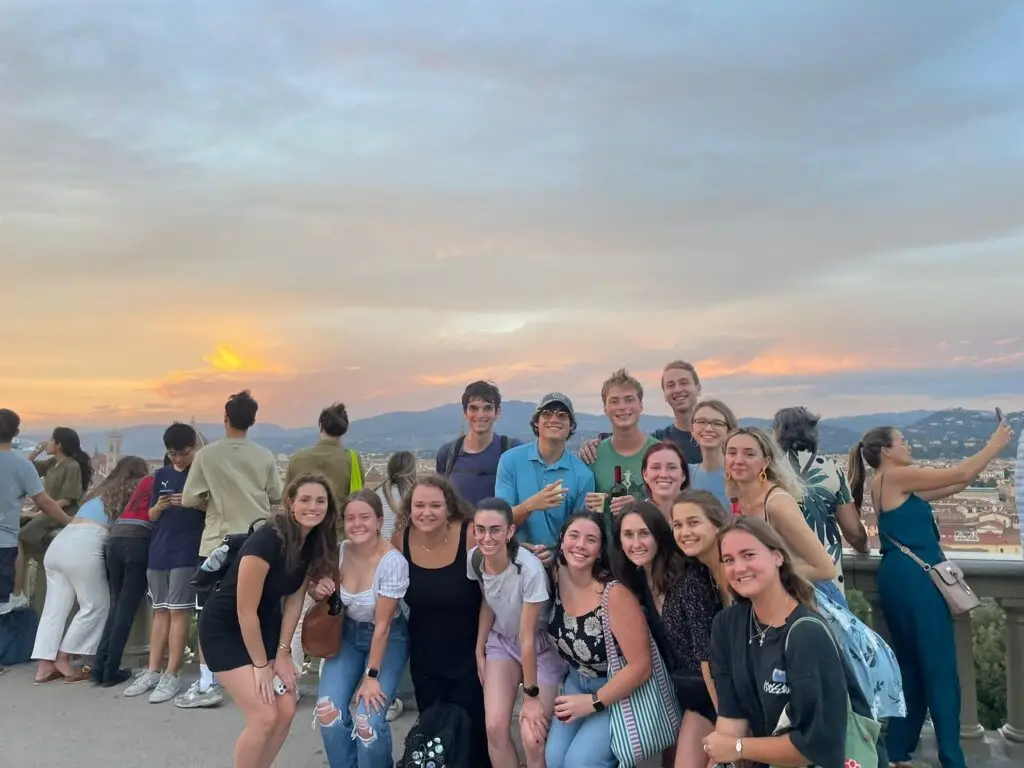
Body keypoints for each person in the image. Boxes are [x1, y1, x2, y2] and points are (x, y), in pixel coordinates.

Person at [849, 421, 1013, 768]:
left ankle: (899, 749)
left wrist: (976, 466)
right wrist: (995, 444)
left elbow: (961, 481)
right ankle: (952, 757)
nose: (909, 446)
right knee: (939, 667)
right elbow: (962, 469)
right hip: (918, 581)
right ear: (887, 451)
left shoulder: (886, 483)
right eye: (904, 441)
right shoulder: (896, 477)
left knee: (911, 665)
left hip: (898, 577)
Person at [705, 516, 884, 768]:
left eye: (748, 555)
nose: (739, 567)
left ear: (778, 558)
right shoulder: (727, 626)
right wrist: (725, 754)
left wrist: (738, 748)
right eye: (729, 560)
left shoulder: (807, 635)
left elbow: (817, 748)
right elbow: (731, 719)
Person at [197, 472, 338, 768]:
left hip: (266, 627)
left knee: (286, 710)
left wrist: (284, 653)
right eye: (305, 500)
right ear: (290, 503)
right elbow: (244, 611)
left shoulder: (312, 541)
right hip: (226, 629)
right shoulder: (267, 540)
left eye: (321, 501)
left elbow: (295, 600)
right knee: (264, 716)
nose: (313, 507)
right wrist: (262, 665)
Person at [178, 389, 283, 709]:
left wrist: (211, 499)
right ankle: (263, 676)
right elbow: (276, 495)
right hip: (258, 542)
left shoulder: (206, 456)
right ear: (253, 421)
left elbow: (188, 499)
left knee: (209, 617)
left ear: (225, 419)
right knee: (260, 612)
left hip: (217, 545)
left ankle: (208, 683)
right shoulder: (264, 456)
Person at [614, 498, 724, 768]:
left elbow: (707, 656)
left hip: (718, 694)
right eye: (628, 535)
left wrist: (725, 721)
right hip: (688, 696)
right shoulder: (638, 582)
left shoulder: (688, 580)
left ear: (659, 536)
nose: (636, 543)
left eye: (644, 533)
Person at [391, 475, 491, 766]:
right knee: (434, 733)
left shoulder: (470, 535)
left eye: (435, 505)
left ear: (450, 507)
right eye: (419, 505)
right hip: (425, 655)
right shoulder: (401, 541)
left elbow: (490, 596)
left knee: (475, 731)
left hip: (471, 651)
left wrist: (481, 647)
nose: (426, 512)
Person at [545, 511, 653, 768]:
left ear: (601, 549)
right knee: (554, 758)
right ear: (562, 541)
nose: (580, 545)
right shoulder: (556, 574)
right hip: (575, 682)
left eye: (591, 539)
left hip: (617, 689)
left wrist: (593, 702)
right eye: (573, 536)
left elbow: (641, 667)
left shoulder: (614, 594)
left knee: (580, 762)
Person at [311, 489, 409, 768]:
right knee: (328, 712)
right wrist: (319, 589)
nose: (357, 524)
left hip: (387, 639)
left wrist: (372, 676)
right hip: (347, 636)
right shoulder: (340, 552)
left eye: (364, 517)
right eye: (350, 518)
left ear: (379, 521)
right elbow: (318, 592)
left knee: (368, 721)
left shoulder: (392, 563)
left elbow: (383, 626)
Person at [31, 456, 150, 684]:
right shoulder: (132, 490)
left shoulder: (99, 491)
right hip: (86, 543)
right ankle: (64, 656)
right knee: (96, 605)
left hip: (60, 543)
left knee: (54, 608)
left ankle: (43, 666)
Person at [470, 497, 566, 768]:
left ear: (510, 531)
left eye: (495, 530)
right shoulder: (476, 558)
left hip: (539, 647)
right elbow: (490, 599)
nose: (486, 537)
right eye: (480, 529)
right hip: (502, 640)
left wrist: (531, 697)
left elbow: (527, 636)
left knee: (533, 737)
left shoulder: (529, 570)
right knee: (495, 727)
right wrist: (480, 647)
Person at [123, 422, 206, 703]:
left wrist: (193, 503)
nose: (178, 459)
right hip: (159, 550)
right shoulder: (161, 475)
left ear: (194, 447)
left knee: (178, 612)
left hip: (186, 551)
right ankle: (153, 670)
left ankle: (172, 674)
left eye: (182, 453)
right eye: (172, 454)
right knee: (160, 611)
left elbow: (216, 508)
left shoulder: (202, 473)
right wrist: (158, 508)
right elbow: (150, 515)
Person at [773, 406, 868, 600]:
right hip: (827, 572)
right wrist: (864, 547)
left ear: (777, 433)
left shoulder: (769, 469)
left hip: (783, 573)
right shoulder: (831, 469)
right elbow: (852, 530)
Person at [724, 428, 837, 589]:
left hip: (805, 596)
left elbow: (825, 569)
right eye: (732, 453)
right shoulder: (737, 499)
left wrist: (764, 570)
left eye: (749, 454)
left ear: (765, 462)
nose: (738, 460)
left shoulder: (777, 504)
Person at [495, 393, 595, 564]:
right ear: (536, 422)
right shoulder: (510, 460)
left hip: (561, 563)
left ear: (571, 426)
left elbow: (582, 531)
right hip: (512, 556)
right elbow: (498, 521)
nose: (554, 419)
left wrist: (556, 553)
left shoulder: (583, 475)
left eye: (562, 415)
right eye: (547, 414)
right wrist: (530, 506)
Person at [0, 409, 71, 616]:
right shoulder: (22, 467)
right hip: (4, 544)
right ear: (16, 432)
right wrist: (70, 521)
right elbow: (45, 503)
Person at [91, 469, 158, 687]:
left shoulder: (148, 479)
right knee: (126, 609)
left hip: (116, 536)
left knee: (117, 605)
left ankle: (99, 667)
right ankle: (111, 671)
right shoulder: (173, 482)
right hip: (137, 541)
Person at [580, 360, 704, 466]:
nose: (677, 389)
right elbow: (628, 438)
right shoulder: (660, 442)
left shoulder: (721, 437)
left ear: (698, 388)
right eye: (670, 385)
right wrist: (595, 443)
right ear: (665, 394)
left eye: (684, 383)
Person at [17, 426, 93, 597]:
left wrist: (39, 513)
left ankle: (19, 588)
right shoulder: (52, 463)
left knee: (22, 534)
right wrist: (36, 451)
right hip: (46, 509)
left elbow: (66, 500)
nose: (48, 443)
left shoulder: (71, 466)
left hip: (59, 512)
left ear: (59, 445)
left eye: (51, 440)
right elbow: (26, 468)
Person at [285, 402, 366, 538]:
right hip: (338, 534)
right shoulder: (352, 459)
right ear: (344, 430)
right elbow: (358, 495)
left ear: (321, 426)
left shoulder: (297, 458)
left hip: (302, 534)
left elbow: (286, 500)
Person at [589, 370, 659, 525]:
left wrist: (641, 506)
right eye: (614, 401)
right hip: (606, 546)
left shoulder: (660, 453)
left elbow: (674, 503)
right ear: (605, 408)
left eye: (629, 399)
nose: (622, 407)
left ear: (640, 405)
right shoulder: (593, 456)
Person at [436, 381, 520, 506]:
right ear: (465, 412)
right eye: (473, 408)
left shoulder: (513, 450)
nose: (480, 415)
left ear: (497, 412)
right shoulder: (448, 454)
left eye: (487, 408)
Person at [688, 400, 738, 508]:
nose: (708, 429)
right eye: (701, 422)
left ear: (729, 431)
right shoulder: (685, 474)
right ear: (691, 429)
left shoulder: (739, 474)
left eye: (717, 423)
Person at [637, 440, 691, 520]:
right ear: (645, 475)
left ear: (683, 475)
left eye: (672, 467)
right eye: (656, 467)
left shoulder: (701, 513)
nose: (664, 475)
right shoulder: (635, 517)